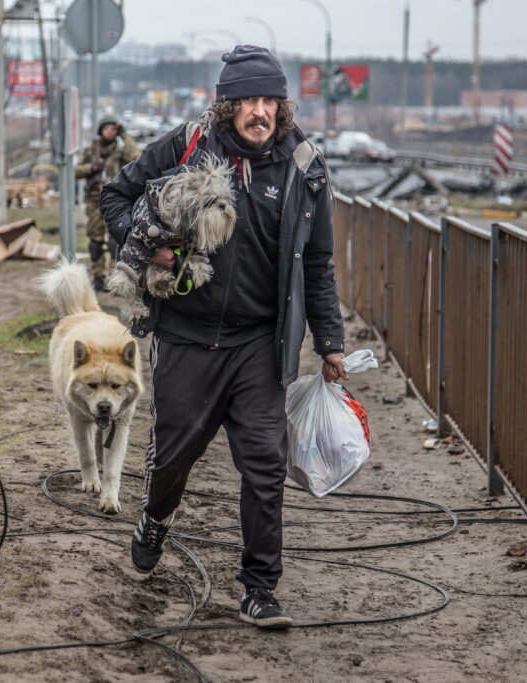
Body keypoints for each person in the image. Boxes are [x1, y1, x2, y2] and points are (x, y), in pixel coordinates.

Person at [100, 45, 347, 630]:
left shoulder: (304, 166)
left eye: (270, 102)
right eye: (248, 101)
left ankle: (259, 588)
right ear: (227, 104)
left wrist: (331, 342)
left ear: (282, 108)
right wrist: (148, 246)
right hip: (186, 337)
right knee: (171, 461)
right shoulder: (186, 145)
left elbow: (319, 264)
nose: (259, 112)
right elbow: (115, 196)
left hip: (260, 346)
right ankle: (154, 520)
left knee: (264, 465)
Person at [76, 115, 141, 290]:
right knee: (96, 242)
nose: (110, 132)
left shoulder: (120, 151)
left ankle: (115, 278)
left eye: (114, 129)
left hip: (115, 203)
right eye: (107, 128)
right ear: (101, 130)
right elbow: (75, 171)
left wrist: (125, 136)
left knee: (116, 241)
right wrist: (92, 167)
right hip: (94, 201)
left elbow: (137, 156)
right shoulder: (91, 150)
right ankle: (98, 277)